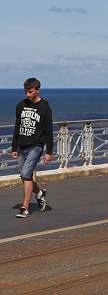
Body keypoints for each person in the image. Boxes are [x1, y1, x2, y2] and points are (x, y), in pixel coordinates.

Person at [12, 77, 52, 219]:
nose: (28, 95)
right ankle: (40, 193)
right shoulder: (20, 105)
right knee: (24, 177)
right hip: (22, 145)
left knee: (26, 175)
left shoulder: (45, 107)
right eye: (26, 92)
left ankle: (25, 208)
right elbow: (17, 126)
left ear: (37, 90)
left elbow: (48, 130)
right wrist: (14, 147)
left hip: (36, 146)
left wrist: (49, 152)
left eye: (30, 92)